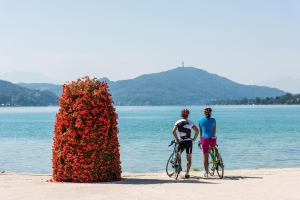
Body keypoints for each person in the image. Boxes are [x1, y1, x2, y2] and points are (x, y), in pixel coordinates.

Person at [172, 109, 199, 178]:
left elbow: (173, 131)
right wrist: (194, 139)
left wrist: (177, 139)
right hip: (188, 142)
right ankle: (187, 173)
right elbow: (197, 131)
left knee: (178, 154)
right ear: (188, 115)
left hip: (181, 141)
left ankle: (179, 166)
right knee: (189, 159)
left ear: (181, 115)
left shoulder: (178, 122)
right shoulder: (190, 123)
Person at [198, 107, 217, 177]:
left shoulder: (200, 121)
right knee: (214, 149)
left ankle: (206, 172)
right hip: (212, 138)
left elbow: (201, 132)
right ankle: (215, 159)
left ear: (204, 113)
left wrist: (200, 140)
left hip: (204, 139)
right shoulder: (214, 120)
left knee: (205, 156)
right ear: (211, 113)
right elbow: (214, 130)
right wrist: (214, 136)